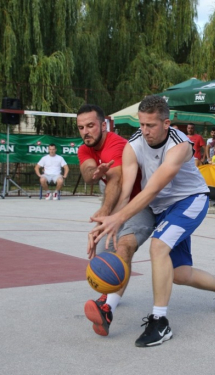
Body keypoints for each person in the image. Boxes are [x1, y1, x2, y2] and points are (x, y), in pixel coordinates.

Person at [90, 95, 215, 347]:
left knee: (158, 246)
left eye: (150, 125)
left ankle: (160, 322)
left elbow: (151, 190)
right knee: (179, 274)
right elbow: (127, 189)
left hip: (190, 201)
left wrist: (118, 218)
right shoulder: (134, 145)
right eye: (141, 124)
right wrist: (109, 221)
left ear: (166, 123)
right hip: (163, 210)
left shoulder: (180, 145)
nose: (145, 131)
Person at [76, 104, 156, 337]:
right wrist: (95, 171)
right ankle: (112, 296)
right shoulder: (85, 149)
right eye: (81, 127)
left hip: (140, 205)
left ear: (103, 125)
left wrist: (103, 215)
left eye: (90, 126)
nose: (85, 131)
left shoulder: (117, 143)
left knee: (124, 247)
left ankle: (106, 307)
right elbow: (88, 171)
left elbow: (117, 181)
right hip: (117, 209)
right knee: (104, 259)